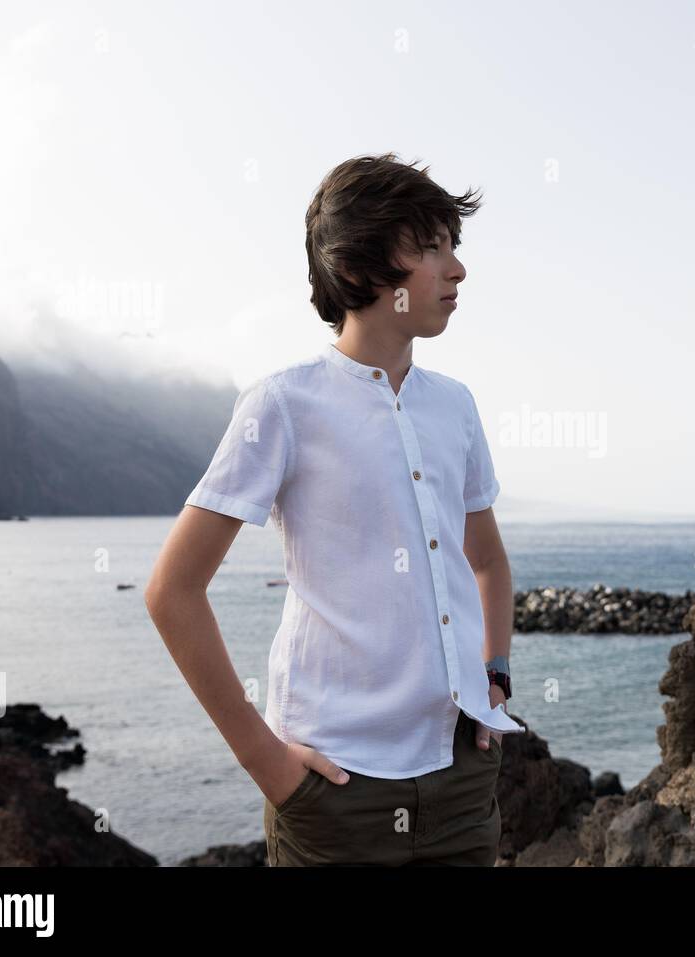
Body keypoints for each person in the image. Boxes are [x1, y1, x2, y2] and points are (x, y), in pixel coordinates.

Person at [144, 153, 524, 866]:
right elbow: (173, 590)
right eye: (432, 246)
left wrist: (494, 677)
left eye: (454, 246)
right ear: (359, 269)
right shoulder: (284, 405)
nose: (457, 269)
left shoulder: (456, 406)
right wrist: (267, 763)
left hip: (463, 786)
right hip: (335, 794)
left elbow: (489, 561)